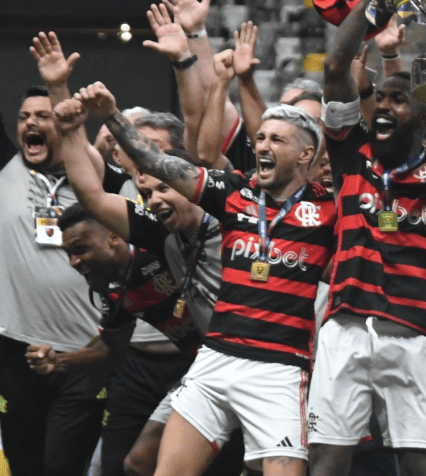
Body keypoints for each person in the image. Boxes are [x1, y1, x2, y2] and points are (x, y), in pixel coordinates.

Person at [80, 81, 337, 476]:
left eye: (277, 140)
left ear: (306, 154)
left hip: (280, 370)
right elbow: (159, 162)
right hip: (215, 359)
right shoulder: (235, 192)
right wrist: (112, 116)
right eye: (261, 138)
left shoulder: (329, 209)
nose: (263, 146)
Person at [307, 2, 426, 476]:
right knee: (326, 461)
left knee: (425, 467)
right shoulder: (351, 154)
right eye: (381, 98)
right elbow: (333, 66)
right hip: (344, 329)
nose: (384, 105)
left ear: (425, 118)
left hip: (413, 334)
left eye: (399, 100)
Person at [34, 97, 241, 476]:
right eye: (148, 195)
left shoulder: (232, 214)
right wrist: (70, 129)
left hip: (261, 357)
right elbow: (93, 197)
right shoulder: (161, 234)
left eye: (165, 189)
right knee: (140, 462)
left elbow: (205, 141)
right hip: (209, 364)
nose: (155, 201)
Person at [0, 0, 109, 476]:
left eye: (42, 117)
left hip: (85, 352)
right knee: (23, 468)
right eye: (23, 117)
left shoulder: (92, 178)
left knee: (64, 470)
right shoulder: (0, 167)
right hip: (16, 354)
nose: (30, 123)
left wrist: (58, 93)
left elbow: (84, 148)